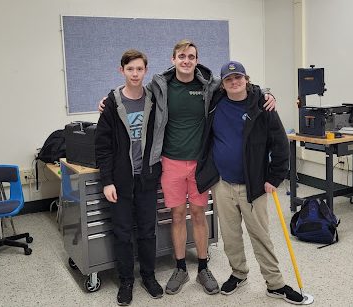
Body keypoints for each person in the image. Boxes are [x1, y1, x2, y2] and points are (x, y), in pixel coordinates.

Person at [98, 39, 277, 296]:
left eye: (191, 56)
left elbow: (237, 84)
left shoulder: (210, 85)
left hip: (200, 163)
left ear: (196, 59)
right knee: (178, 215)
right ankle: (180, 267)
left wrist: (266, 94)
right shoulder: (160, 86)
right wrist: (107, 99)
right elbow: (129, 91)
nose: (186, 60)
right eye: (181, 56)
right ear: (173, 59)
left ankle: (203, 266)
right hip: (170, 163)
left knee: (199, 213)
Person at [196, 61, 305, 305]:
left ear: (246, 79)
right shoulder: (216, 104)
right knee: (230, 235)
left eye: (238, 77)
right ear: (222, 85)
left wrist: (274, 178)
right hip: (222, 183)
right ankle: (238, 273)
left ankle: (275, 284)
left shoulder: (262, 106)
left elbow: (280, 145)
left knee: (260, 236)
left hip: (254, 184)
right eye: (228, 79)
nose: (234, 82)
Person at [95, 49, 163, 306]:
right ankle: (126, 281)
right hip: (121, 181)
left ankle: (148, 276)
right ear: (121, 70)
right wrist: (107, 181)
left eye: (139, 69)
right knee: (122, 233)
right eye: (130, 69)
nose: (135, 74)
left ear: (146, 71)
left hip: (146, 177)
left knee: (147, 230)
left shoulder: (155, 100)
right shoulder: (112, 104)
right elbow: (102, 147)